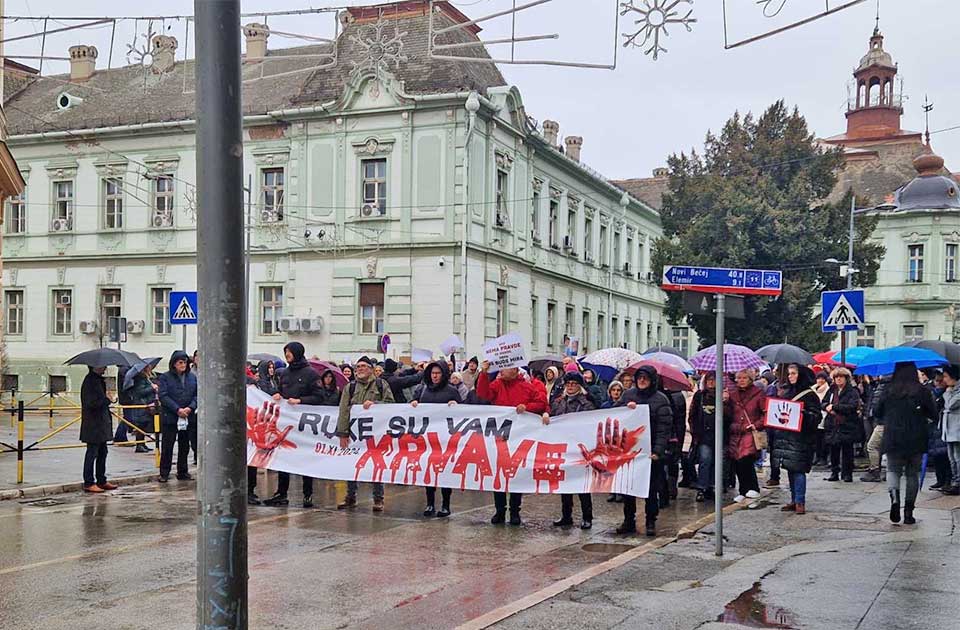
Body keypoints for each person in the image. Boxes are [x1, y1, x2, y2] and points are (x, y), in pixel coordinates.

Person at [476, 360, 548, 525]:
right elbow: (483, 394)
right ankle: (500, 511)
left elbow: (542, 403)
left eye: (505, 367)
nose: (501, 370)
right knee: (499, 474)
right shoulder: (497, 384)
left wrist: (526, 407)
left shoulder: (527, 387)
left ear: (515, 370)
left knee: (516, 474)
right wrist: (484, 373)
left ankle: (515, 511)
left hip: (519, 437)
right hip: (500, 437)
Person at [264, 343, 324, 508]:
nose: (287, 355)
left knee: (305, 459)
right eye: (285, 352)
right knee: (283, 459)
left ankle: (307, 494)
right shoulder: (284, 373)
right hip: (286, 424)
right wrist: (277, 395)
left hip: (304, 425)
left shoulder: (311, 374)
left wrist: (301, 401)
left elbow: (320, 396)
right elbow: (281, 392)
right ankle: (281, 493)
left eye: (289, 352)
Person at [876, 362, 938, 524]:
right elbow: (933, 413)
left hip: (893, 435)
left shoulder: (888, 390)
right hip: (916, 436)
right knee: (912, 474)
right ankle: (909, 511)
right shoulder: (922, 391)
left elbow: (876, 412)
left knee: (893, 470)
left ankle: (894, 500)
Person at [616, 365, 673, 537]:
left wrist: (657, 451)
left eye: (645, 378)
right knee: (628, 488)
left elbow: (664, 429)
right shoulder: (628, 395)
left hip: (650, 453)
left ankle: (650, 521)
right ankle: (628, 520)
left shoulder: (661, 400)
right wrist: (626, 409)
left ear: (652, 380)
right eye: (639, 377)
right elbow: (616, 416)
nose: (642, 380)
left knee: (650, 489)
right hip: (630, 452)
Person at [337, 355, 395, 511]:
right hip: (355, 435)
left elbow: (391, 405)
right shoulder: (350, 387)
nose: (359, 369)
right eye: (357, 367)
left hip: (376, 435)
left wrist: (376, 404)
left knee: (376, 465)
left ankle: (378, 498)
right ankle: (350, 497)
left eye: (363, 366)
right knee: (352, 465)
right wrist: (343, 433)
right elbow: (343, 410)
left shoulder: (381, 385)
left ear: (371, 369)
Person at [543, 372, 595, 529]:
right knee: (564, 483)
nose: (570, 386)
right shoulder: (559, 402)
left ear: (579, 386)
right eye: (568, 383)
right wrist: (546, 415)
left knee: (582, 485)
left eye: (574, 383)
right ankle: (566, 515)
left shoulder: (586, 404)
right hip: (563, 448)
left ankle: (587, 517)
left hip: (580, 449)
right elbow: (552, 416)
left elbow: (591, 423)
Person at [410, 361, 462, 517]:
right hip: (427, 439)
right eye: (432, 373)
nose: (435, 376)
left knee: (445, 472)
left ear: (444, 374)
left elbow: (464, 413)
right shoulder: (422, 390)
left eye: (438, 373)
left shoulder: (452, 391)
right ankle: (430, 504)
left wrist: (456, 405)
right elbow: (411, 410)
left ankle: (445, 505)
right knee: (429, 471)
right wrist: (413, 403)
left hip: (446, 440)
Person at [774, 365, 821, 515]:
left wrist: (803, 413)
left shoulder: (810, 395)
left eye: (793, 374)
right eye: (789, 374)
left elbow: (816, 417)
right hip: (787, 436)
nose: (790, 376)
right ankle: (794, 499)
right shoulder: (787, 392)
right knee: (790, 467)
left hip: (801, 437)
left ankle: (800, 501)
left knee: (798, 469)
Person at [157, 351, 198, 483]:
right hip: (171, 417)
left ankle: (183, 471)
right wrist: (177, 409)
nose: (183, 365)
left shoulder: (192, 377)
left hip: (187, 416)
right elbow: (163, 396)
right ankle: (164, 472)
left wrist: (190, 408)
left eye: (185, 362)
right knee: (167, 446)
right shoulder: (165, 377)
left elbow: (197, 395)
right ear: (174, 364)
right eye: (180, 362)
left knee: (184, 446)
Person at [688, 372, 729, 502]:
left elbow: (729, 417)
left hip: (720, 435)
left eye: (714, 380)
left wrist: (725, 403)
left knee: (716, 462)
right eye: (709, 380)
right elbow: (693, 414)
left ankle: (711, 486)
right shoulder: (700, 396)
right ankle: (702, 488)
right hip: (703, 435)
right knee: (705, 460)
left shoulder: (724, 396)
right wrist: (695, 432)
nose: (711, 382)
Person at [726, 369, 765, 502]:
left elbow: (765, 413)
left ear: (750, 379)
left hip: (750, 431)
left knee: (746, 459)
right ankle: (743, 490)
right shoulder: (732, 395)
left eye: (744, 378)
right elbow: (728, 413)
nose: (741, 380)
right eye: (739, 378)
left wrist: (757, 425)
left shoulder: (758, 394)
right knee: (737, 461)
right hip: (735, 432)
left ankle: (753, 488)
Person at [80, 366, 118, 493]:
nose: (105, 367)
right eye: (103, 366)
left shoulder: (98, 380)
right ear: (94, 366)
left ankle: (101, 480)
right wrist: (107, 400)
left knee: (103, 452)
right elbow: (91, 403)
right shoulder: (90, 381)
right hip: (93, 424)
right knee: (92, 453)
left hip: (100, 423)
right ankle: (89, 482)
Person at [248, 361, 280, 505]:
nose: (272, 370)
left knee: (255, 459)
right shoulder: (258, 384)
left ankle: (251, 489)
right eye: (269, 368)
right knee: (250, 459)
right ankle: (248, 490)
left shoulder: (273, 382)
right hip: (253, 425)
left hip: (263, 425)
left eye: (273, 367)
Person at [822, 368, 861, 483]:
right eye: (836, 377)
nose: (838, 379)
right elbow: (823, 402)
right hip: (833, 424)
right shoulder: (832, 390)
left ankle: (847, 473)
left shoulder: (852, 391)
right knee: (833, 449)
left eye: (841, 377)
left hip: (847, 424)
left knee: (847, 450)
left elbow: (852, 406)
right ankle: (834, 472)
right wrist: (827, 407)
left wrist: (835, 407)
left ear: (846, 378)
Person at [861, 375, 890, 482]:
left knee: (872, 445)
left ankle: (874, 470)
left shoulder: (882, 386)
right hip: (891, 421)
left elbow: (878, 406)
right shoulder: (893, 385)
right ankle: (890, 471)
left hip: (882, 421)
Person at [127, 364, 159, 453]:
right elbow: (140, 392)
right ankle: (139, 445)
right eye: (149, 367)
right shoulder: (140, 379)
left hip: (146, 404)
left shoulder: (146, 378)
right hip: (141, 404)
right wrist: (152, 388)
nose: (150, 369)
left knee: (144, 424)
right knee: (140, 424)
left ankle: (142, 443)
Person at [940, 365, 960, 495]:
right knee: (951, 457)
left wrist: (947, 393)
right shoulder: (952, 390)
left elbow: (951, 404)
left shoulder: (955, 392)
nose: (944, 379)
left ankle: (958, 482)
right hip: (948, 429)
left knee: (958, 457)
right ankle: (954, 480)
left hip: (957, 429)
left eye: (946, 376)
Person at [812, 372, 831, 467]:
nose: (820, 381)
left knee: (823, 438)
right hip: (815, 416)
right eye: (818, 378)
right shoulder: (813, 389)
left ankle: (823, 457)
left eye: (822, 378)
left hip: (824, 416)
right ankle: (817, 456)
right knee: (816, 438)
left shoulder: (828, 390)